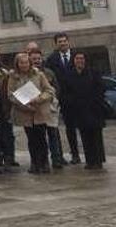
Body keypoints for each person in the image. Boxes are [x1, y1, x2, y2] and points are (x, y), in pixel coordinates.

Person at [8, 52, 55, 174]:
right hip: (25, 112)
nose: (24, 65)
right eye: (21, 63)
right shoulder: (13, 76)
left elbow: (49, 90)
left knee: (41, 138)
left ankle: (44, 162)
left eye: (26, 62)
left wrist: (39, 99)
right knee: (31, 138)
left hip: (39, 110)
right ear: (17, 64)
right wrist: (23, 104)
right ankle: (35, 162)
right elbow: (11, 94)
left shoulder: (38, 74)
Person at [62, 52, 106, 170]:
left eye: (82, 58)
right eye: (77, 58)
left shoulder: (93, 73)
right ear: (73, 60)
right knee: (85, 136)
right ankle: (90, 160)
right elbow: (66, 93)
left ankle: (98, 160)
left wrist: (94, 100)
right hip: (79, 111)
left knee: (96, 137)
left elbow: (101, 89)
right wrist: (72, 102)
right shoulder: (69, 75)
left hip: (94, 110)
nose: (80, 61)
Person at [44, 32, 81, 164]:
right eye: (60, 41)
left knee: (84, 127)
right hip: (63, 99)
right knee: (69, 128)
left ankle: (87, 153)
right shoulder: (51, 59)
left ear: (68, 41)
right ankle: (74, 154)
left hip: (79, 97)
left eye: (64, 41)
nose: (63, 43)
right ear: (56, 44)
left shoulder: (78, 56)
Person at [31, 48, 67, 168]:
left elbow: (56, 88)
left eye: (38, 58)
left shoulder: (49, 72)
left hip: (50, 108)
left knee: (54, 134)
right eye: (34, 59)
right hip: (35, 109)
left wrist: (54, 101)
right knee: (39, 137)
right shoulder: (28, 74)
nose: (37, 61)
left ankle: (57, 159)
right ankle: (43, 160)